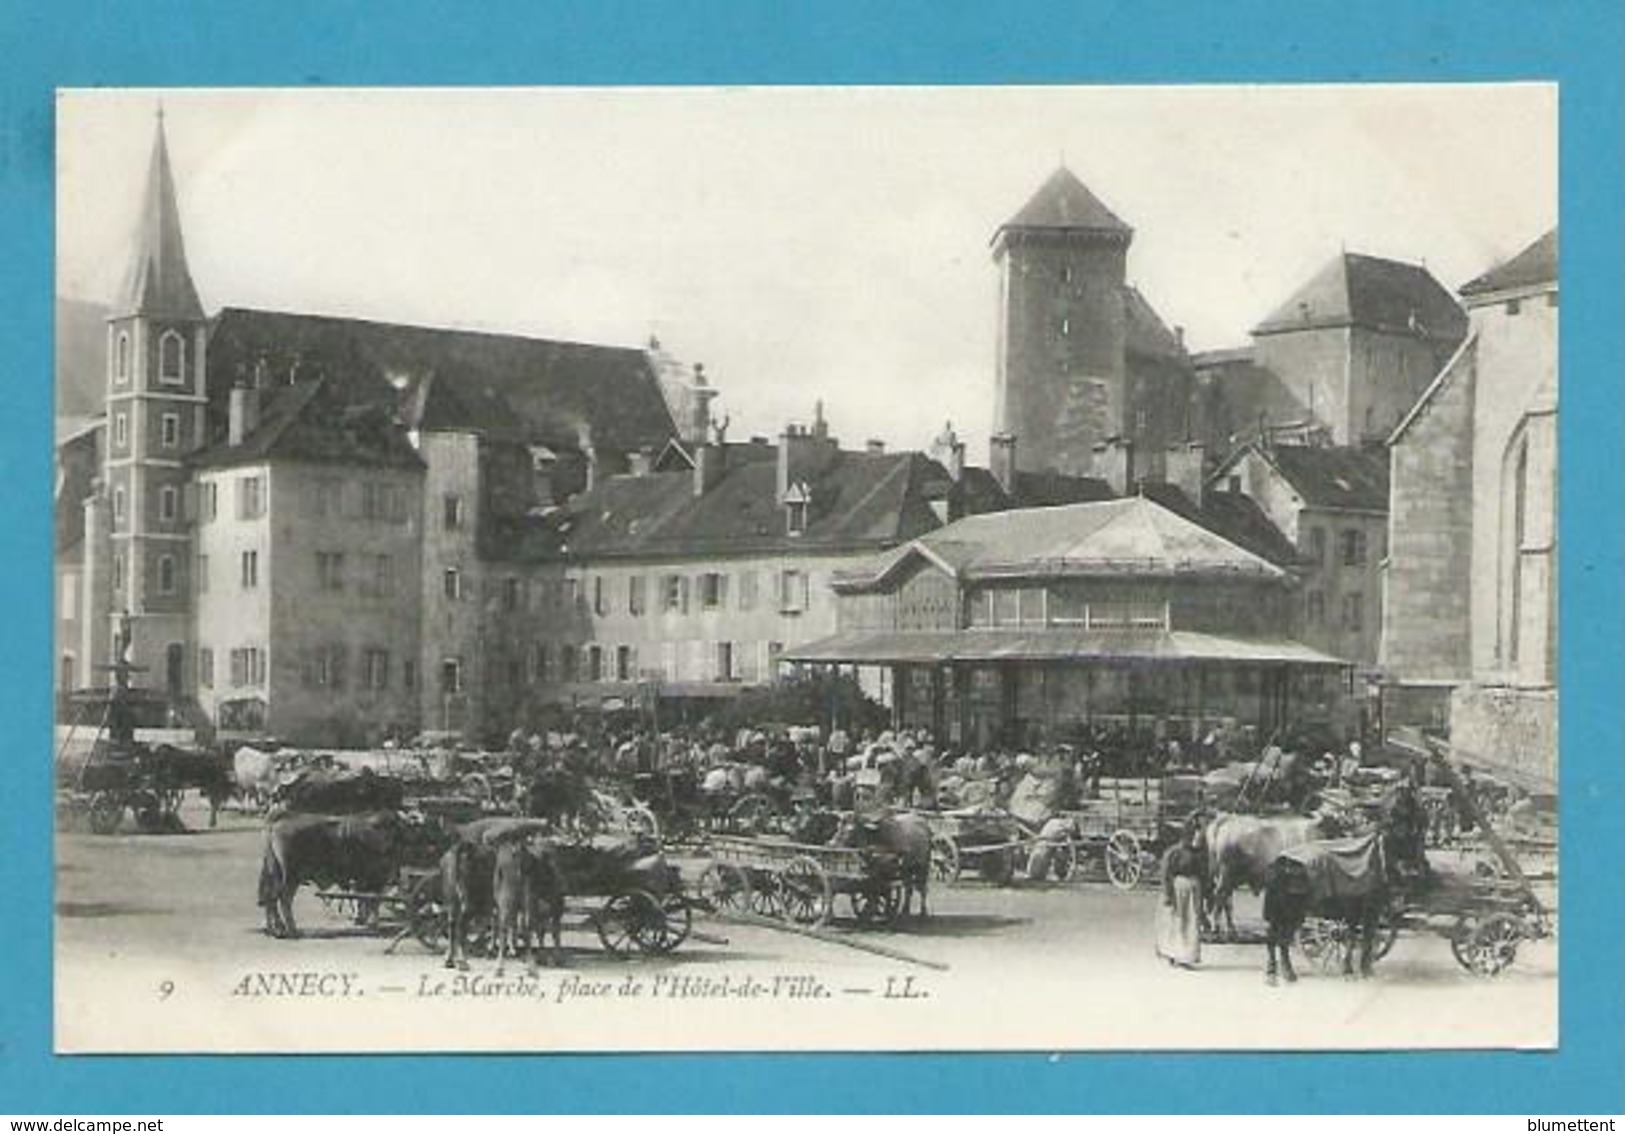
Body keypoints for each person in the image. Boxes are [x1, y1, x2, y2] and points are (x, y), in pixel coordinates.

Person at [1156, 820, 1206, 970]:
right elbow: (1166, 874)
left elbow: (1203, 875)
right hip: (1179, 890)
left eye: (1200, 838)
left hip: (1194, 891)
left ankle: (1187, 956)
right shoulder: (1174, 852)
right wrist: (1168, 895)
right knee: (1177, 922)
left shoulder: (1198, 854)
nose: (1197, 840)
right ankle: (1172, 953)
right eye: (1195, 837)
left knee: (1191, 922)